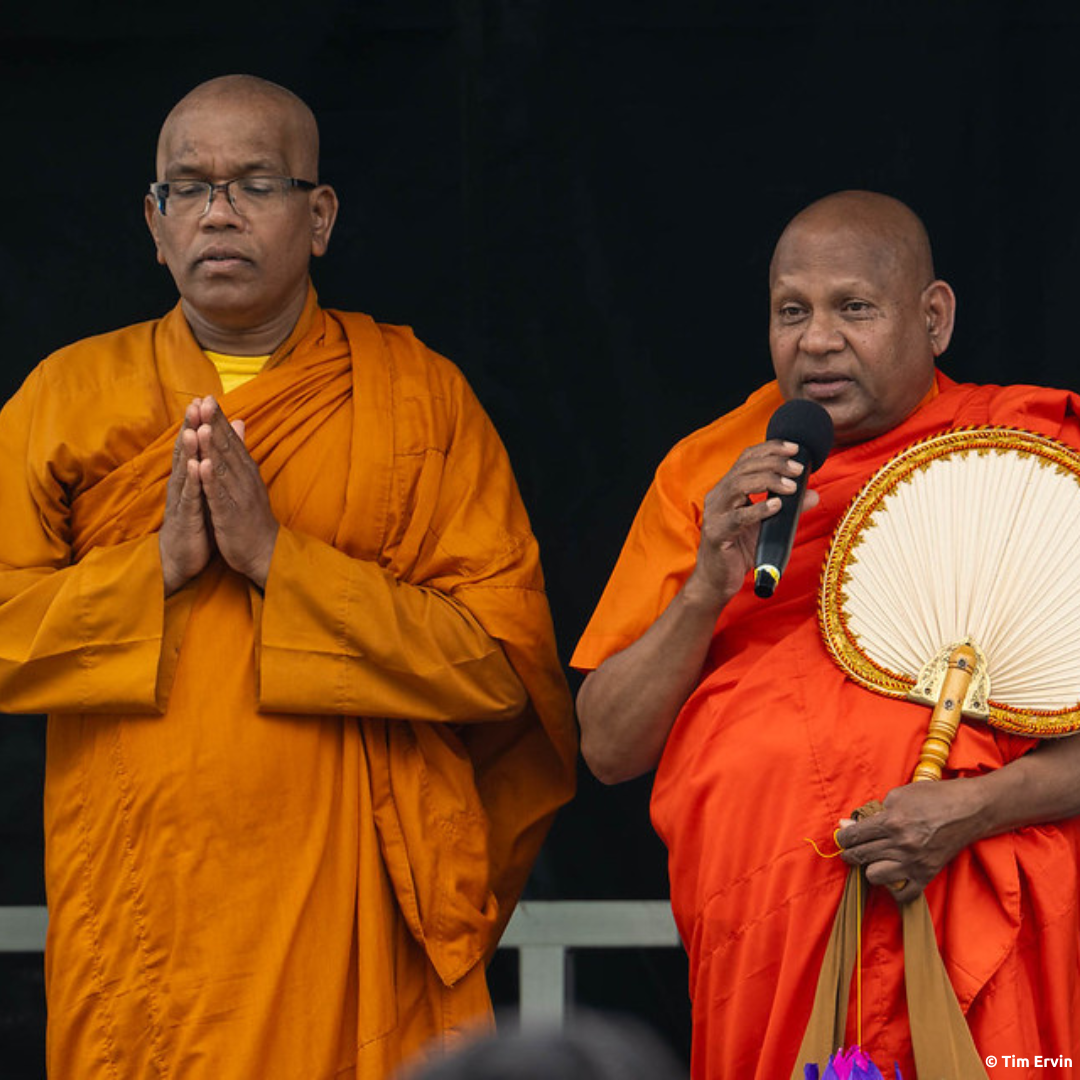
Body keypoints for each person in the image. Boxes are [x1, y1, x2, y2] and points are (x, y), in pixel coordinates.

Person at [0, 75, 576, 1079]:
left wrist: (280, 563)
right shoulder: (65, 397)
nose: (217, 210)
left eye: (255, 183)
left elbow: (500, 665)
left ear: (319, 217)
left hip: (350, 917)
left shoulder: (419, 396)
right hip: (145, 914)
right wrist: (158, 569)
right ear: (154, 221)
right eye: (189, 187)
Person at [572, 190, 1080, 1079]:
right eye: (790, 311)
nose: (814, 340)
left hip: (981, 921)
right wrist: (704, 590)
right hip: (768, 931)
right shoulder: (707, 473)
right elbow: (609, 746)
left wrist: (974, 807)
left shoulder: (1020, 458)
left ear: (934, 318)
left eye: (853, 307)